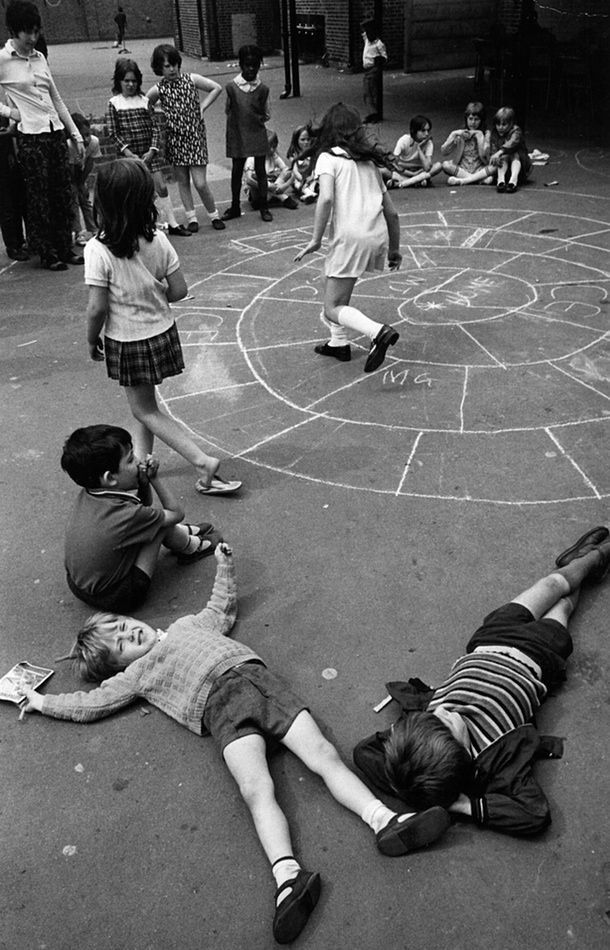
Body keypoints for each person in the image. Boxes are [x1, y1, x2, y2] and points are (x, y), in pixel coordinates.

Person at [20, 541, 451, 944]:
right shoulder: (138, 676)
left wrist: (224, 565)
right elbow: (93, 702)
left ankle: (384, 821)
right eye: (119, 646)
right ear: (118, 665)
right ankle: (288, 880)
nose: (127, 635)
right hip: (220, 710)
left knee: (323, 755)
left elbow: (220, 608)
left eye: (122, 626)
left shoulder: (188, 624)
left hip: (261, 684)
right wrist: (42, 702)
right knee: (255, 789)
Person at [353, 526, 610, 839]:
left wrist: (417, 784)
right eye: (451, 724)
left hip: (489, 638)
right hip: (538, 654)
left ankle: (579, 563)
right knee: (564, 604)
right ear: (463, 753)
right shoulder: (493, 759)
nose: (446, 711)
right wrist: (460, 804)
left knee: (552, 583)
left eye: (433, 718)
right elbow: (534, 815)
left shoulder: (426, 730)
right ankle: (590, 560)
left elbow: (364, 753)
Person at [85, 158, 242, 496]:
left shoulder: (98, 249)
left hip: (128, 339)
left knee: (144, 409)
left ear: (104, 203)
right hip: (161, 332)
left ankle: (203, 462)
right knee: (147, 403)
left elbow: (97, 306)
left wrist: (90, 339)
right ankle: (142, 462)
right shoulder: (157, 238)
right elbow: (179, 290)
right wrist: (154, 295)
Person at [61, 424, 222, 612]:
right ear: (110, 478)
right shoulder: (125, 515)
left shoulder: (91, 493)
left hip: (77, 584)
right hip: (116, 597)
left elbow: (141, 510)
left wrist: (143, 483)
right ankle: (191, 547)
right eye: (130, 460)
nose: (138, 461)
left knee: (151, 521)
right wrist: (155, 479)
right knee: (159, 526)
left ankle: (183, 534)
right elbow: (176, 514)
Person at [293, 103, 401, 373]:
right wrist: (393, 251)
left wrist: (316, 239)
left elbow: (326, 197)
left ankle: (378, 332)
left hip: (350, 238)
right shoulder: (367, 163)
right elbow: (392, 213)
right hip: (374, 236)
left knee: (332, 307)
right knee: (329, 279)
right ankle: (338, 343)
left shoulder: (328, 159)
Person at [0, 0, 85, 271]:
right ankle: (47, 251)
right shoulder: (3, 59)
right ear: (14, 30)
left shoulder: (40, 57)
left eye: (37, 31)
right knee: (39, 196)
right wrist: (11, 113)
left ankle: (64, 246)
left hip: (54, 132)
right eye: (28, 32)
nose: (33, 38)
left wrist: (74, 134)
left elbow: (56, 98)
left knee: (62, 191)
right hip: (31, 136)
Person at [107, 57, 190, 236]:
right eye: (126, 81)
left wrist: (152, 150)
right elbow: (114, 133)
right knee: (135, 192)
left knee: (160, 187)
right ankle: (139, 227)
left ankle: (173, 223)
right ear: (119, 81)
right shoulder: (114, 103)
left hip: (148, 155)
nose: (130, 84)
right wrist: (128, 152)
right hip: (129, 157)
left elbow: (154, 127)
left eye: (133, 81)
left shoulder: (144, 101)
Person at [147, 44, 225, 232]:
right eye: (167, 66)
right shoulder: (159, 89)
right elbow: (144, 104)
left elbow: (216, 88)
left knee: (200, 182)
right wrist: (159, 113)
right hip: (175, 140)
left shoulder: (191, 79)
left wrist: (202, 107)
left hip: (195, 137)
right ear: (160, 68)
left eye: (174, 64)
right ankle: (191, 218)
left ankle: (213, 214)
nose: (172, 69)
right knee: (182, 181)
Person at [222, 45, 272, 223]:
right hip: (238, 132)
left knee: (260, 170)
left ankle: (263, 206)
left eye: (255, 66)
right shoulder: (231, 87)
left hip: (256, 131)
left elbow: (266, 113)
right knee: (237, 170)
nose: (251, 69)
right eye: (247, 65)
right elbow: (228, 109)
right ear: (240, 65)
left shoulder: (263, 89)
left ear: (259, 66)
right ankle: (235, 206)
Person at [440, 101, 492, 186]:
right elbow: (444, 152)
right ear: (466, 119)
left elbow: (484, 155)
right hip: (463, 168)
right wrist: (453, 134)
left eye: (477, 119)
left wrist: (479, 135)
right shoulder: (461, 134)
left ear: (481, 120)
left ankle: (466, 179)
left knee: (493, 170)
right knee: (446, 165)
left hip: (479, 168)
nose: (473, 122)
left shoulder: (486, 133)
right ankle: (475, 179)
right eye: (470, 119)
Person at [68, 113, 101, 245]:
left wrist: (82, 182)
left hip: (81, 172)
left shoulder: (94, 142)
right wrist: (76, 185)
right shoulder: (69, 145)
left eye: (88, 134)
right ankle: (78, 232)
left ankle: (93, 229)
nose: (86, 139)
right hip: (69, 174)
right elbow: (70, 170)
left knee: (85, 199)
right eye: (83, 136)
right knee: (73, 200)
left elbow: (89, 164)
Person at [245, 129, 297, 210]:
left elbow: (286, 170)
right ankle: (282, 197)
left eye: (274, 146)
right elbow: (249, 180)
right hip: (258, 192)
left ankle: (274, 194)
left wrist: (283, 186)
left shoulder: (274, 156)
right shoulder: (252, 158)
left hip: (272, 186)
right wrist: (268, 186)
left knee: (287, 171)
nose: (272, 150)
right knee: (255, 176)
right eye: (269, 148)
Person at [0, 112, 28, 260]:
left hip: (11, 163)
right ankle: (13, 246)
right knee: (7, 208)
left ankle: (19, 241)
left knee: (17, 204)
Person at [390, 114, 442, 188]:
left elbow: (427, 167)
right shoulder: (404, 140)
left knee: (438, 166)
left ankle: (403, 183)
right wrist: (412, 174)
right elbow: (394, 162)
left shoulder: (429, 143)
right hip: (404, 170)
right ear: (414, 131)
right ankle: (417, 181)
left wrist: (419, 149)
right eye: (423, 131)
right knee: (383, 170)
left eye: (428, 130)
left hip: (420, 170)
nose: (426, 134)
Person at [488, 105, 531, 193]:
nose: (500, 127)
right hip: (503, 166)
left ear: (511, 123)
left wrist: (499, 152)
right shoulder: (494, 133)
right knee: (503, 157)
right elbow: (493, 148)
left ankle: (513, 181)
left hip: (520, 166)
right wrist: (495, 156)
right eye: (498, 124)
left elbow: (512, 143)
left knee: (513, 154)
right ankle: (501, 180)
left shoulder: (516, 131)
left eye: (504, 124)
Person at [361, 19, 386, 124]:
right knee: (367, 92)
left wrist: (378, 61)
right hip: (366, 69)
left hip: (373, 68)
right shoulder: (367, 39)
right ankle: (371, 113)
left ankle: (375, 114)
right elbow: (362, 28)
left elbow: (384, 57)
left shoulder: (379, 44)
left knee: (372, 91)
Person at [286, 124, 317, 203]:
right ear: (296, 141)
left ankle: (310, 192)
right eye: (302, 140)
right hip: (299, 178)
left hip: (310, 177)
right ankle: (309, 193)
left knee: (317, 181)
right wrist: (303, 180)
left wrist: (311, 177)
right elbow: (295, 171)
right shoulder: (294, 154)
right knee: (297, 183)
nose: (306, 142)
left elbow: (314, 167)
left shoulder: (313, 153)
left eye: (308, 139)